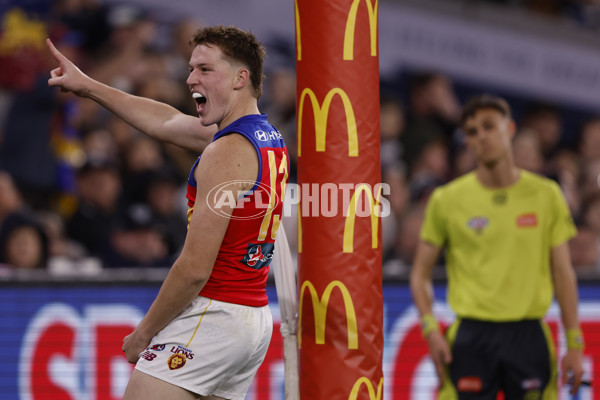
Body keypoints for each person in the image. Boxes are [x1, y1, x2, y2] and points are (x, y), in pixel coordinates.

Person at [47, 25, 289, 400]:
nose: (191, 77)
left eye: (206, 69)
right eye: (191, 68)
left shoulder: (226, 153)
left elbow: (194, 269)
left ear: (241, 78)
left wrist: (144, 333)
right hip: (252, 317)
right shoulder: (265, 139)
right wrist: (89, 86)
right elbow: (166, 121)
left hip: (213, 314)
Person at [409, 94, 585, 399]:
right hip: (470, 338)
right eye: (473, 132)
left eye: (489, 126)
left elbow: (563, 273)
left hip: (529, 335)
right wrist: (431, 330)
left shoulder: (546, 195)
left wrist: (575, 344)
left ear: (510, 128)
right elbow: (419, 274)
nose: (481, 137)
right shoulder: (447, 200)